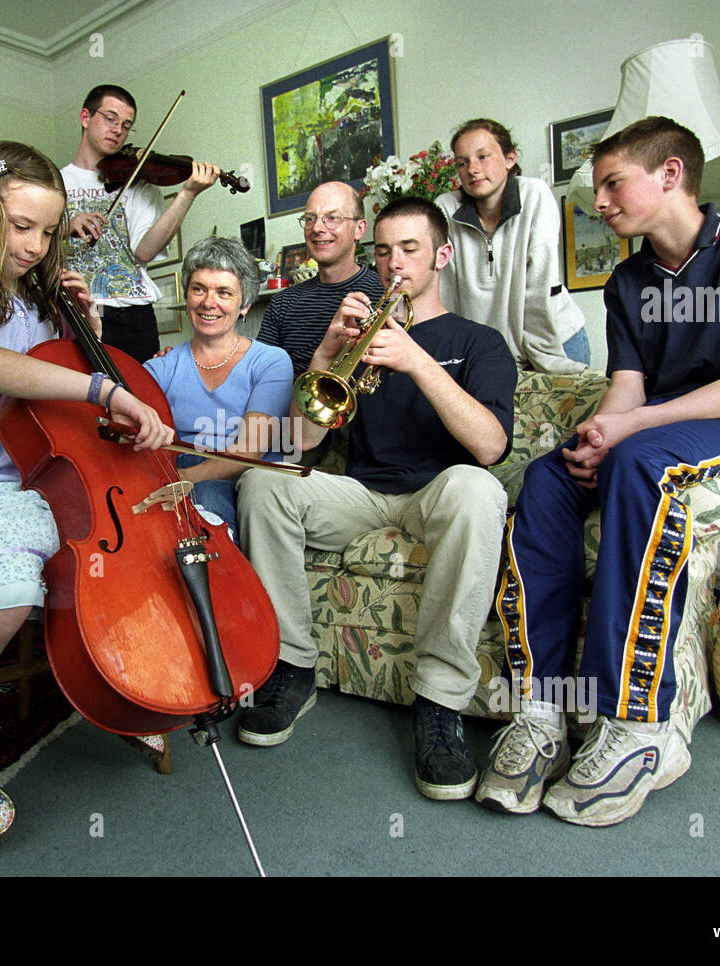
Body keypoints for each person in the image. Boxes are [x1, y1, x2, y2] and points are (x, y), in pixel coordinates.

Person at [483, 116, 720, 826]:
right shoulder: (630, 278)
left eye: (612, 183)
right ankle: (543, 710)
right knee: (550, 475)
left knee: (637, 462)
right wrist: (602, 429)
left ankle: (636, 724)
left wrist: (628, 432)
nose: (598, 201)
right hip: (660, 425)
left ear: (670, 175)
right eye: (596, 188)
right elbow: (629, 385)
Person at [0, 141, 171, 838]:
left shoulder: (45, 297)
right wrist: (100, 383)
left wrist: (89, 329)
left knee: (143, 555)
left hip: (61, 475)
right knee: (10, 595)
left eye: (48, 232)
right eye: (22, 227)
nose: (37, 245)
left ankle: (121, 688)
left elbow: (66, 402)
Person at [236, 197, 517, 801]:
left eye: (409, 250)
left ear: (441, 255)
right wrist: (326, 356)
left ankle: (441, 701)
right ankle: (292, 666)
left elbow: (491, 446)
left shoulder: (480, 341)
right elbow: (301, 442)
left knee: (478, 488)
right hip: (364, 494)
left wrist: (418, 361)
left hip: (439, 492)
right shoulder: (359, 339)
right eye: (383, 251)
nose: (393, 265)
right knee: (261, 482)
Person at [142, 236, 293, 539]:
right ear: (187, 297)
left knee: (207, 495)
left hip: (247, 475)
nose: (208, 302)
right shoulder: (158, 367)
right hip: (180, 466)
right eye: (199, 289)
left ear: (245, 305)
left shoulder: (271, 361)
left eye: (224, 292)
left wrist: (184, 478)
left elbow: (250, 449)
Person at [61, 84, 220, 363]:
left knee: (140, 398)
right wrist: (65, 227)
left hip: (135, 316)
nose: (118, 130)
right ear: (85, 117)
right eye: (110, 118)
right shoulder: (54, 182)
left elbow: (145, 251)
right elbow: (29, 239)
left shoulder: (138, 182)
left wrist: (187, 193)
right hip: (75, 310)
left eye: (126, 125)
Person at [435, 118, 590, 373]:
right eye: (462, 163)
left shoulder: (535, 195)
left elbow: (540, 286)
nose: (472, 168)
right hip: (492, 353)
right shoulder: (445, 208)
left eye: (483, 156)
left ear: (510, 159)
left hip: (554, 342)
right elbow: (447, 292)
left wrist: (532, 358)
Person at [257, 181, 384, 381]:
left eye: (332, 218)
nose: (316, 228)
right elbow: (262, 381)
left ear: (360, 229)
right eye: (309, 219)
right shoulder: (282, 304)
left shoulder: (383, 295)